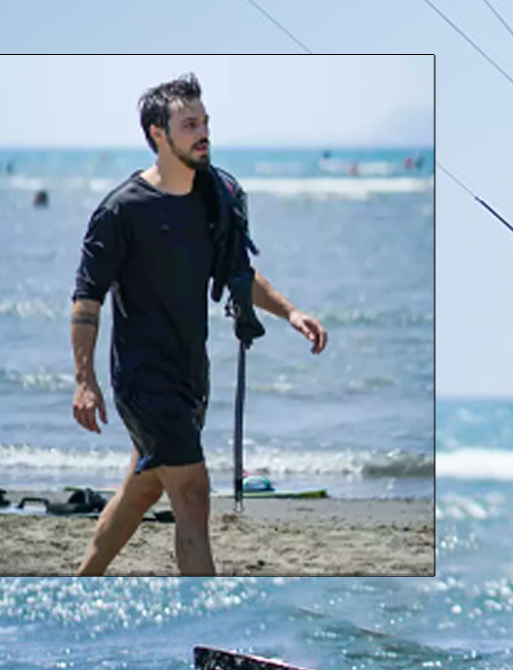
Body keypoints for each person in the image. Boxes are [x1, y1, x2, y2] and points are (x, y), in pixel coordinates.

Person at [68, 73, 328, 575]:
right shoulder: (120, 212)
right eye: (189, 124)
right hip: (144, 381)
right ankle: (207, 612)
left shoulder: (215, 198)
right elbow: (86, 301)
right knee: (192, 492)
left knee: (141, 491)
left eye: (205, 122)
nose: (203, 132)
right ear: (157, 133)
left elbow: (238, 272)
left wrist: (291, 311)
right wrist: (85, 381)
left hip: (191, 376)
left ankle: (82, 580)